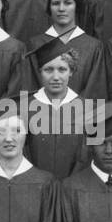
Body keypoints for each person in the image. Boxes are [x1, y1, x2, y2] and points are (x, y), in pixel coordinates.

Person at [16, 0, 108, 100]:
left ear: (77, 6)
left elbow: (96, 91)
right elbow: (28, 88)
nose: (61, 9)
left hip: (81, 117)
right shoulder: (35, 44)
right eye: (55, 3)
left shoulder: (94, 47)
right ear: (49, 7)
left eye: (68, 3)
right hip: (42, 116)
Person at [20, 37, 94, 179]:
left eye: (62, 69)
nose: (55, 76)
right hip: (35, 186)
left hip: (75, 187)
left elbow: (91, 154)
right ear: (40, 71)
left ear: (71, 71)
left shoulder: (89, 109)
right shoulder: (24, 108)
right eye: (48, 69)